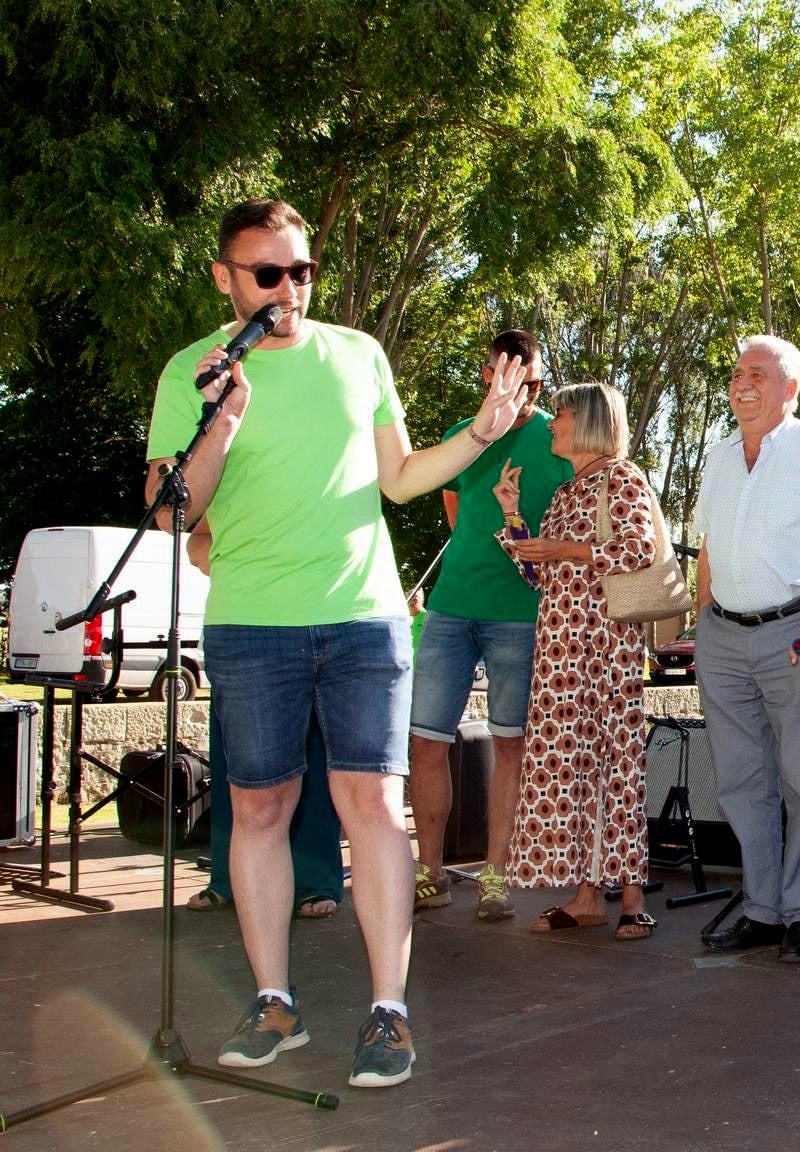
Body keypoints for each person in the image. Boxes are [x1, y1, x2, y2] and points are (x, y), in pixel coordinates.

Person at [144, 198, 526, 1088]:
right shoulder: (190, 374)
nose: (291, 290)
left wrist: (480, 434)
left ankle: (389, 1011)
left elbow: (398, 480)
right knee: (262, 809)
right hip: (251, 620)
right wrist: (224, 422)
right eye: (269, 274)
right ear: (225, 278)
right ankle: (274, 1001)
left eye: (303, 271)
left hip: (364, 617)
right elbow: (173, 512)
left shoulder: (359, 354)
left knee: (371, 802)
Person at [696, 335, 800, 962]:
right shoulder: (717, 457)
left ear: (789, 388)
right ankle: (762, 909)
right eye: (738, 373)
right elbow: (708, 546)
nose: (743, 384)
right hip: (722, 635)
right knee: (742, 784)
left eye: (758, 375)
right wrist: (701, 622)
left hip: (792, 634)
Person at [408, 331, 572, 921]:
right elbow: (457, 514)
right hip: (451, 609)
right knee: (425, 741)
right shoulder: (461, 437)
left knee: (511, 743)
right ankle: (430, 872)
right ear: (487, 374)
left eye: (529, 381)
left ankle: (496, 876)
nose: (519, 392)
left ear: (538, 379)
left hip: (520, 616)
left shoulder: (559, 437)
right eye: (505, 376)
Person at [494, 382, 659, 941]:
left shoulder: (622, 477)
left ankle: (631, 895)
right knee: (574, 766)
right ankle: (587, 896)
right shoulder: (567, 492)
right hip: (562, 651)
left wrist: (562, 549)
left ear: (587, 420)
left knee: (616, 760)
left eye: (559, 414)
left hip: (607, 644)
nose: (551, 423)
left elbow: (639, 551)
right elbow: (538, 573)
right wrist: (515, 518)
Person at [183, 528, 343, 921]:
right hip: (244, 629)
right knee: (239, 775)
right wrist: (242, 553)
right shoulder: (226, 472)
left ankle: (315, 883)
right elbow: (196, 545)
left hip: (319, 625)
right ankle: (228, 880)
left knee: (316, 767)